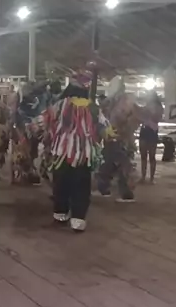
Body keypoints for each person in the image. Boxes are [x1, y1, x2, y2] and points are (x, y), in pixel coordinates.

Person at [41, 72, 108, 232]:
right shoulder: (93, 107)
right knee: (81, 187)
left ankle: (61, 216)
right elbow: (103, 127)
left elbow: (44, 121)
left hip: (62, 153)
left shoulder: (60, 105)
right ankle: (78, 221)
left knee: (61, 185)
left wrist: (33, 128)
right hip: (85, 155)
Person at [97, 76, 143, 202]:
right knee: (113, 163)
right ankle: (111, 188)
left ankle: (119, 190)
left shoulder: (120, 102)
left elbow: (129, 119)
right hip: (115, 138)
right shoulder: (114, 102)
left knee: (118, 164)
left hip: (119, 138)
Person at [139, 90, 163, 184]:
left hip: (152, 130)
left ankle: (151, 178)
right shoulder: (146, 106)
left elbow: (158, 118)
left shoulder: (158, 107)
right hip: (145, 129)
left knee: (152, 156)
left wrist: (149, 113)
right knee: (143, 155)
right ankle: (143, 176)